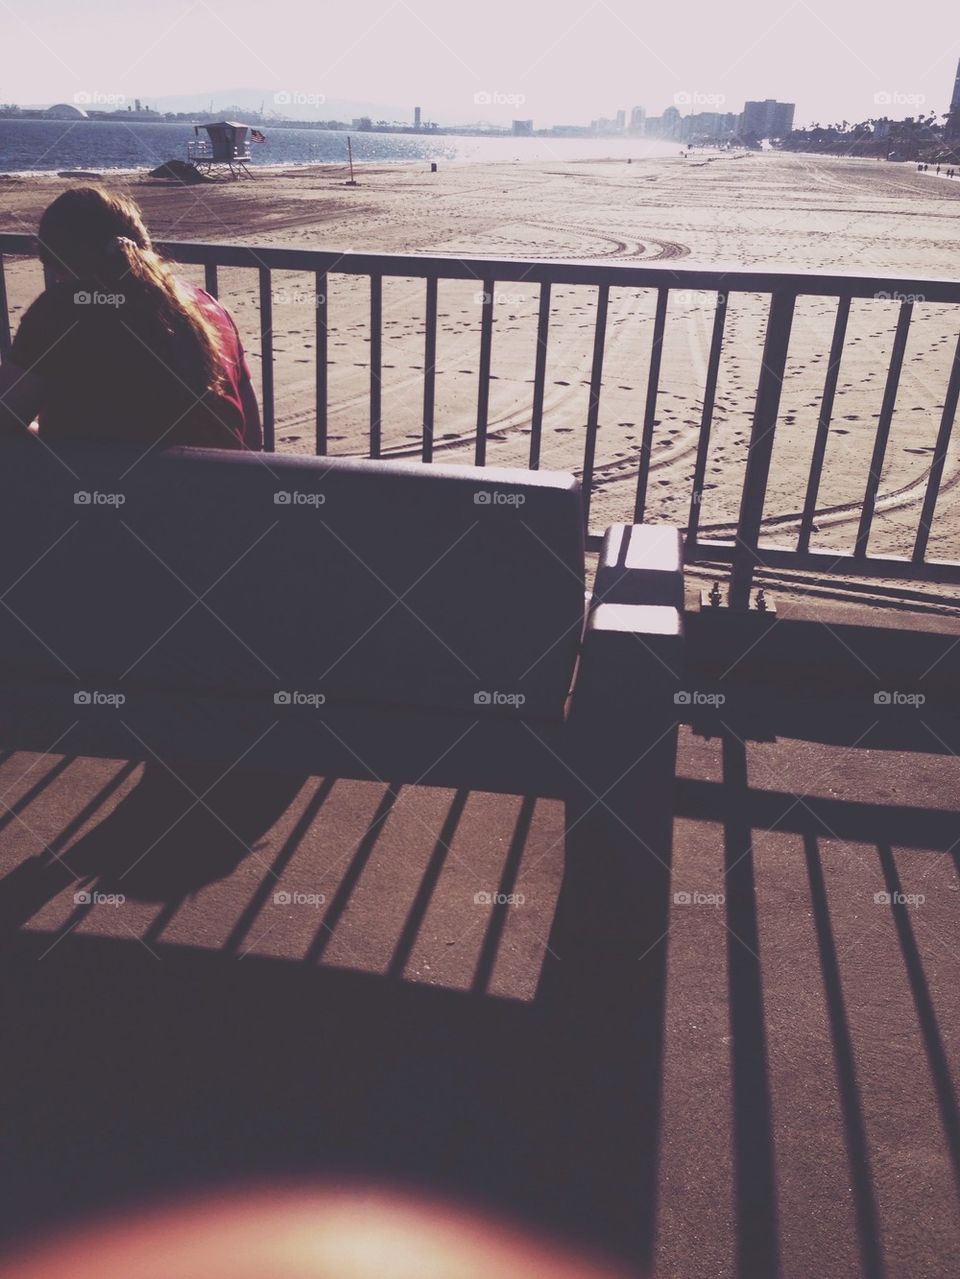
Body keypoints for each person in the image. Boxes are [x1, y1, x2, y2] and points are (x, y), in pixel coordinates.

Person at [0, 186, 261, 450]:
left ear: (59, 265)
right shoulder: (208, 307)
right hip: (223, 486)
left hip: (103, 487)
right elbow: (251, 435)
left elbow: (5, 423)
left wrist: (41, 433)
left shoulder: (59, 311)